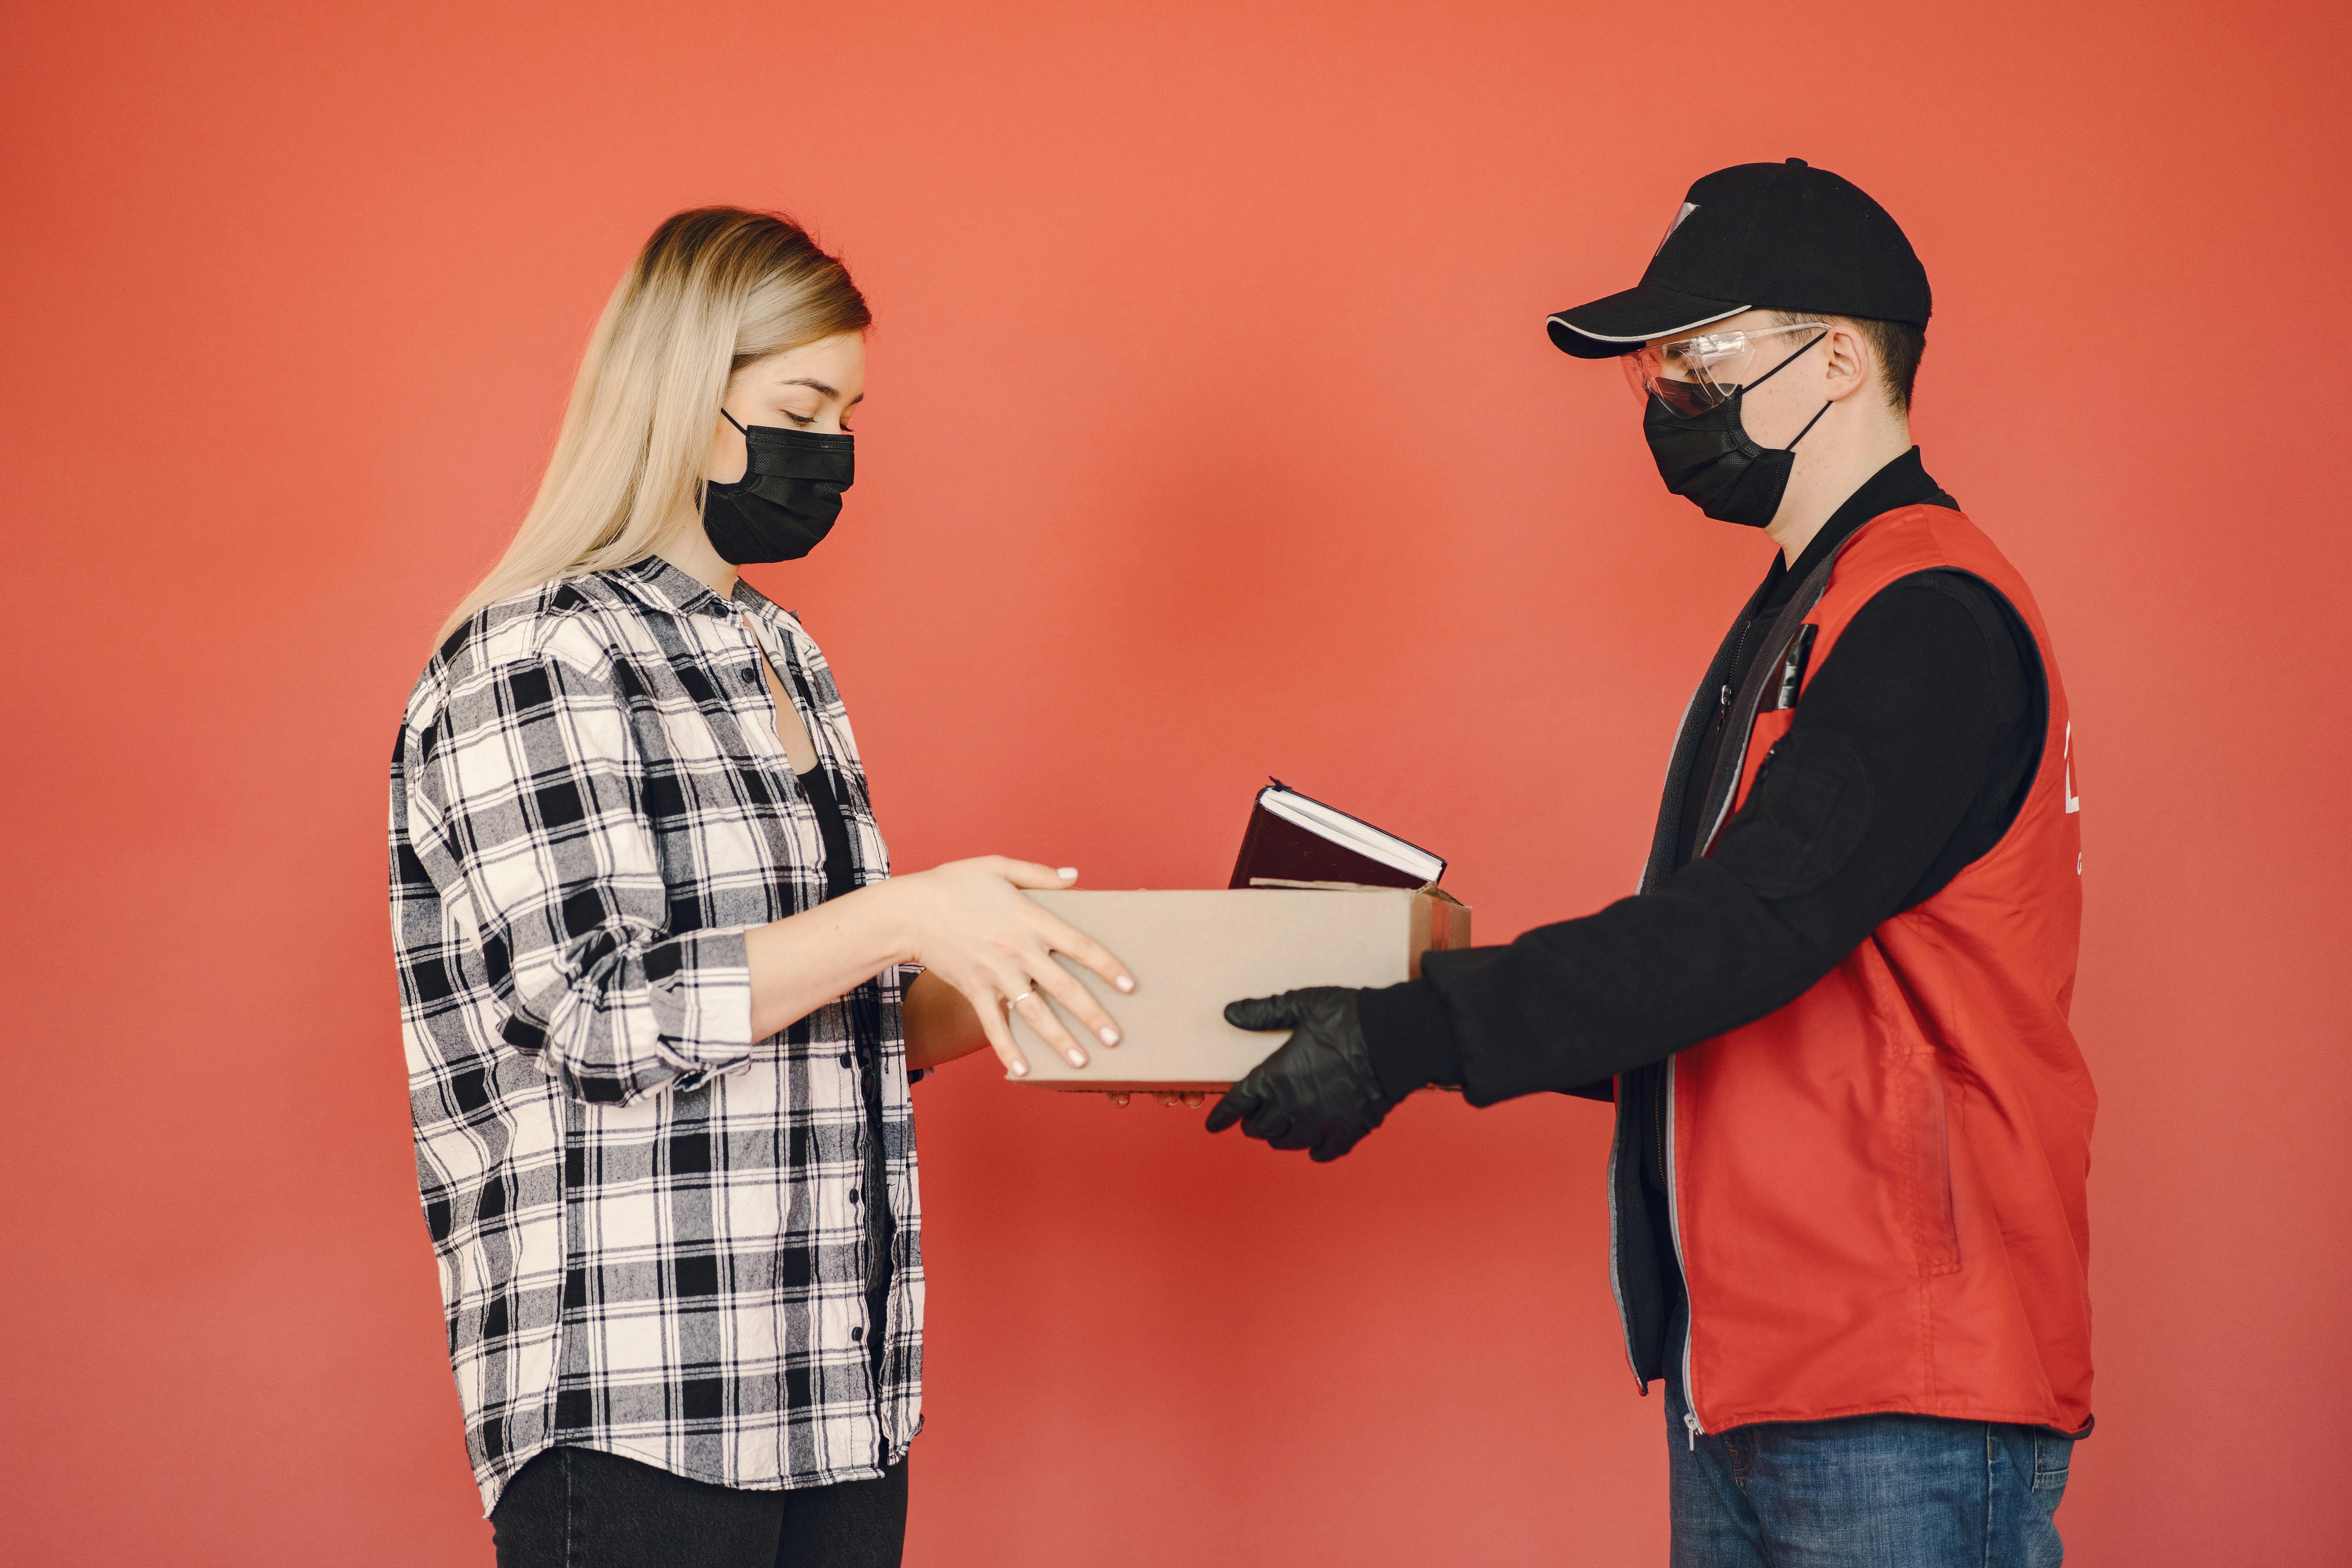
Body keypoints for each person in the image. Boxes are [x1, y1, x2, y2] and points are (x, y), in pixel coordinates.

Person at [1208, 159, 2093, 1566]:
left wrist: (1414, 1031)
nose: (1669, 401)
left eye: (1700, 361)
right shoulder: (1804, 615)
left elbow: (1743, 932)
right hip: (1757, 1372)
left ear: (1840, 360)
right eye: (1656, 374)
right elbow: (1718, 973)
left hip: (1897, 1389)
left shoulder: (1925, 621)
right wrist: (1404, 980)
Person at [388, 207, 1136, 1568]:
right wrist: (910, 913)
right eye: (803, 404)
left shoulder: (780, 651)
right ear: (682, 397)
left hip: (836, 1397)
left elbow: (823, 1029)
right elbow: (594, 1017)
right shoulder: (536, 656)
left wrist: (1046, 984)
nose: (836, 449)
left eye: (852, 410)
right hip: (637, 1406)